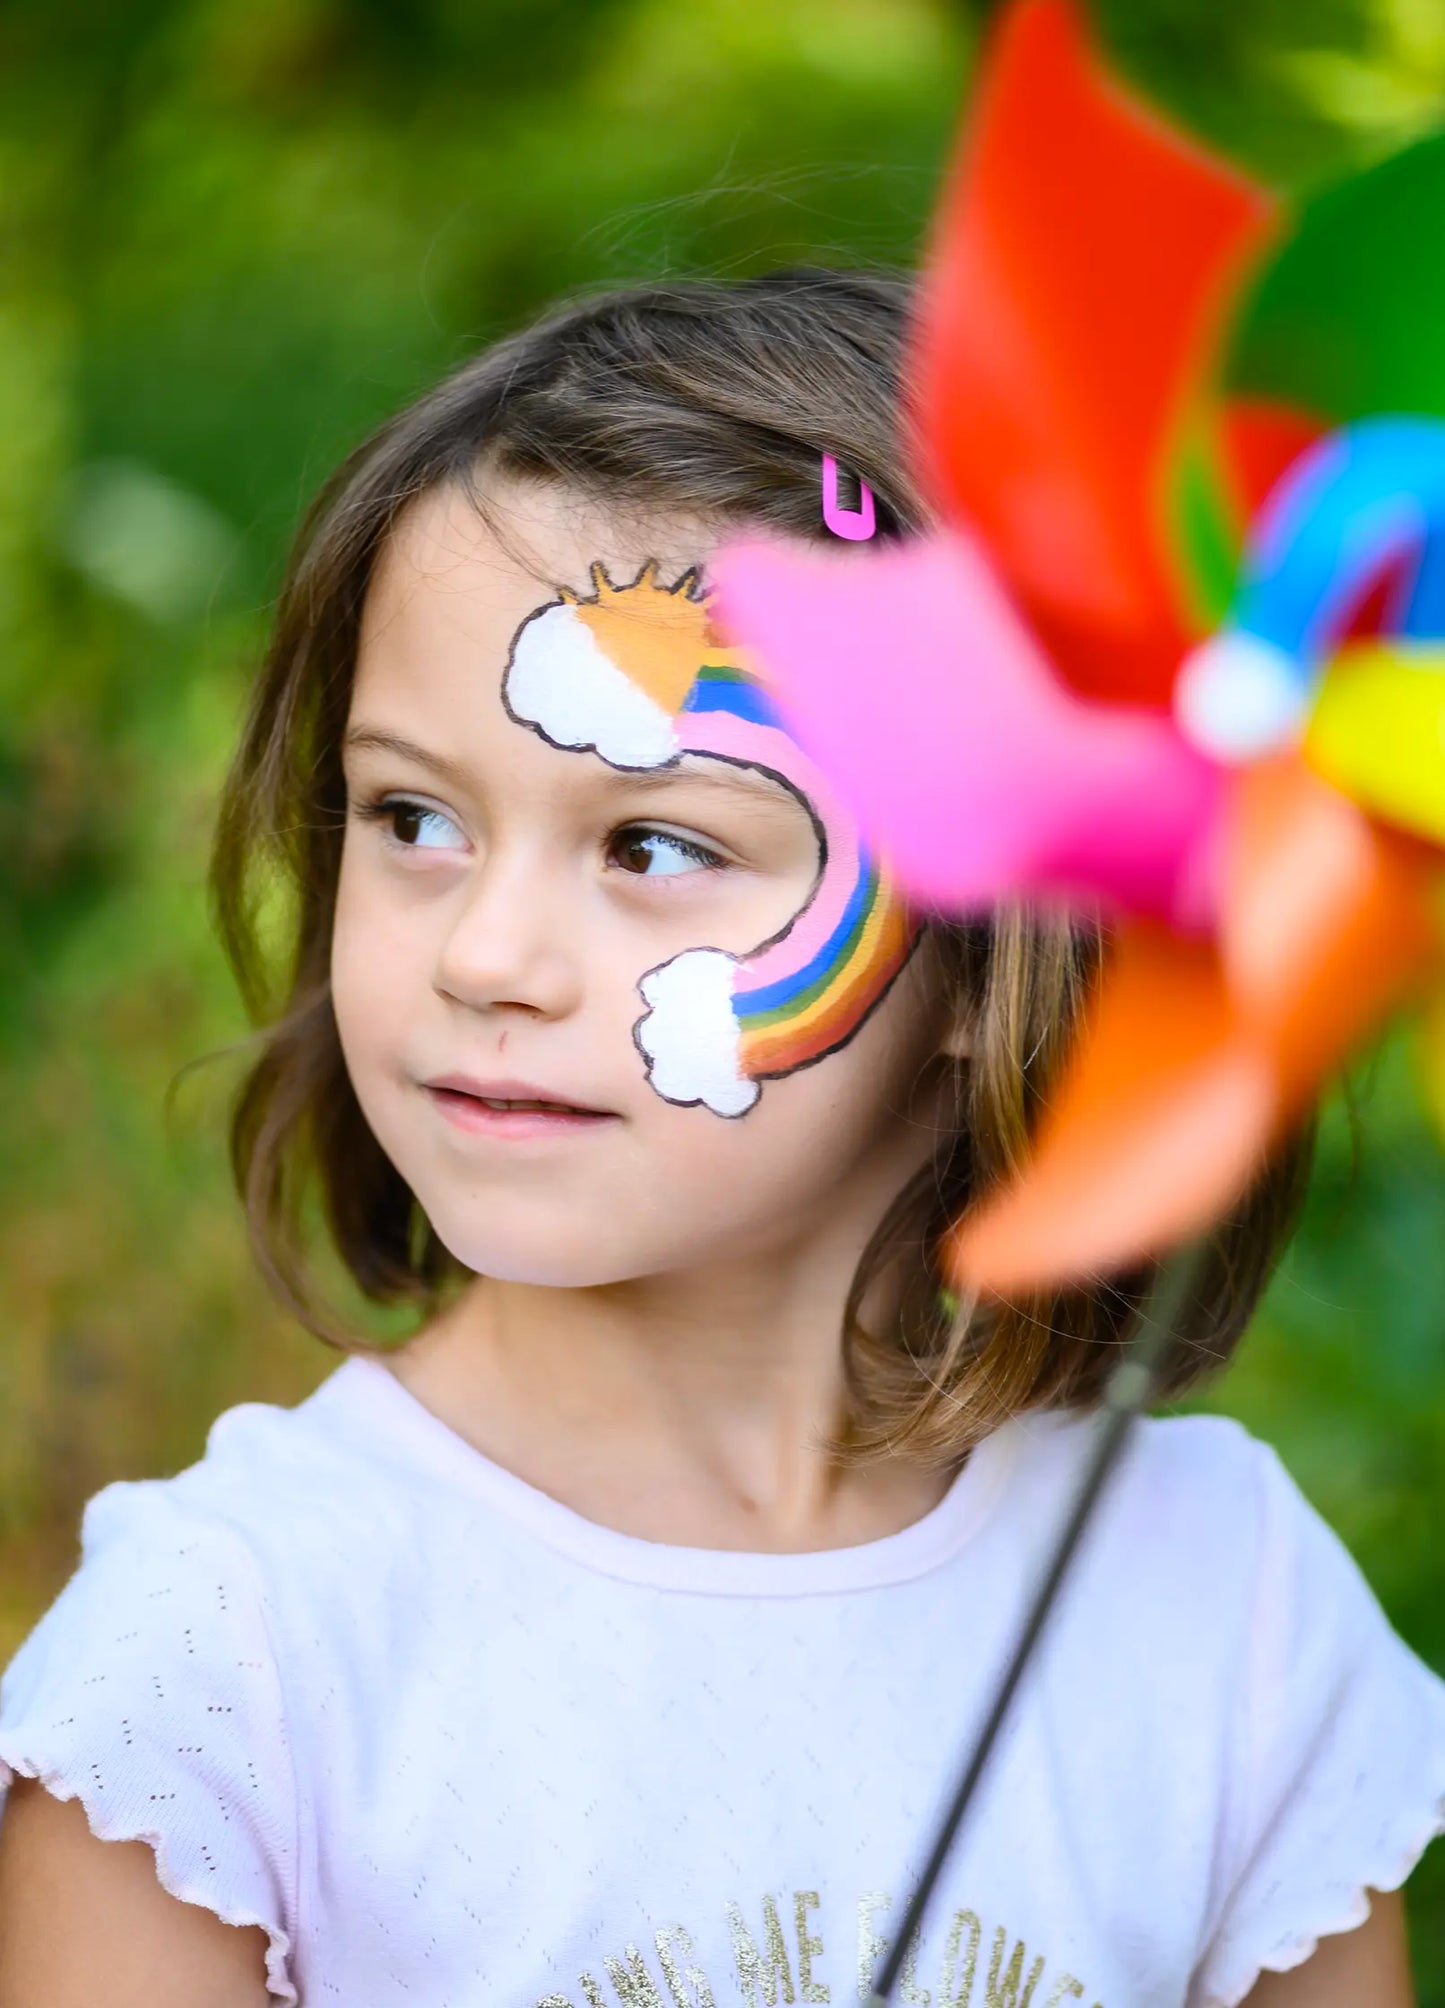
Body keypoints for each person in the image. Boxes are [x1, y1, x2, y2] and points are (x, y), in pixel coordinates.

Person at [0, 269, 1441, 2008]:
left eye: (657, 848)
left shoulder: (1224, 1609)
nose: (484, 957)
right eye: (413, 818)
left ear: (1013, 941)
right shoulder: (227, 1656)